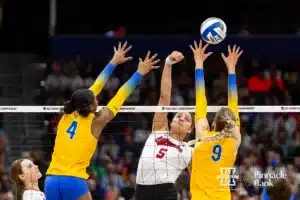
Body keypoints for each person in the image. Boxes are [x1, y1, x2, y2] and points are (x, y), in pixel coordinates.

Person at [44, 42, 160, 200]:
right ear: (91, 106)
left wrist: (113, 62)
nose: (97, 98)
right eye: (95, 100)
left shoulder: (68, 113)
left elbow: (96, 86)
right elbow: (120, 96)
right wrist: (139, 73)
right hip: (73, 180)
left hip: (51, 179)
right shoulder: (96, 122)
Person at [135, 51, 194, 200]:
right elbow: (164, 96)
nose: (181, 118)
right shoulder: (159, 130)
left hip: (165, 192)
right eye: (178, 115)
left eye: (186, 119)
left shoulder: (189, 151)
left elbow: (196, 179)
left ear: (190, 130)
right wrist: (168, 63)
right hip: (141, 190)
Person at [189, 41, 243, 200]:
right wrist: (232, 68)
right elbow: (234, 102)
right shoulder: (234, 141)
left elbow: (200, 99)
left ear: (212, 124)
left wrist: (198, 63)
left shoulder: (202, 135)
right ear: (232, 125)